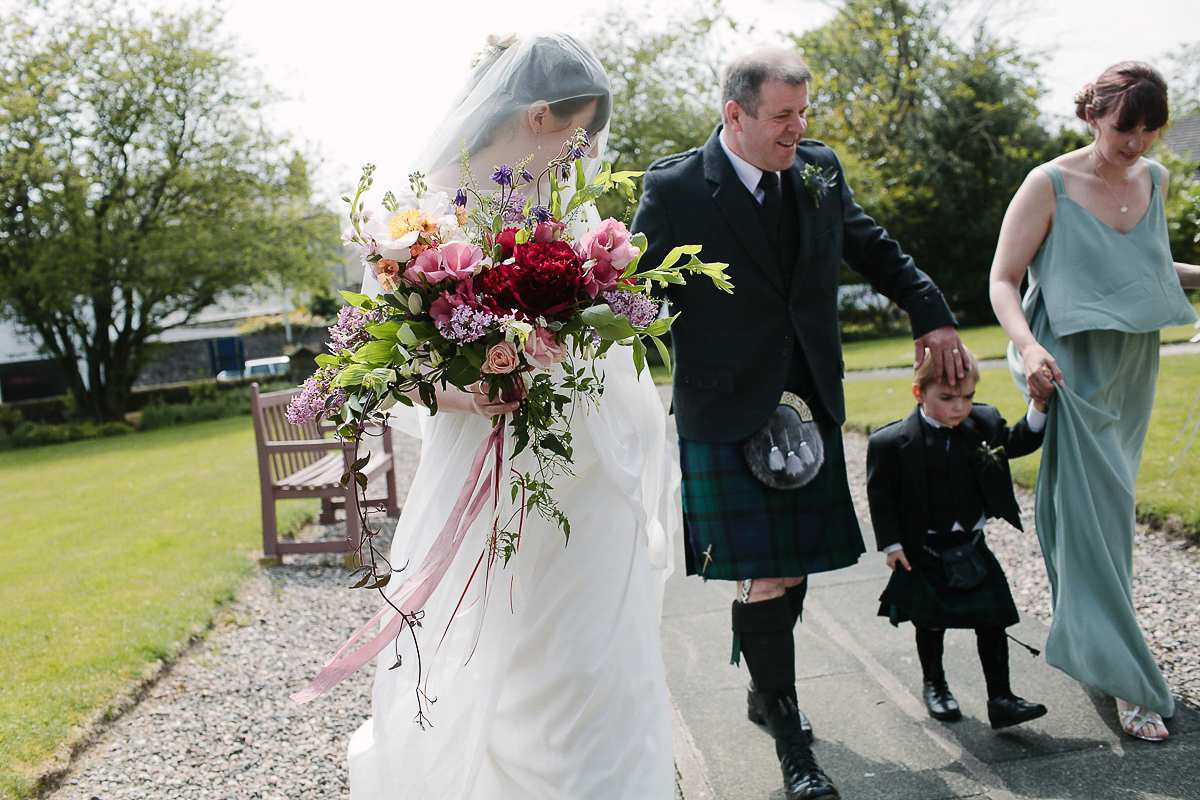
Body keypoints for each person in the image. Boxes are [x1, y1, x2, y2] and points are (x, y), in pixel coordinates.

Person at [347, 35, 679, 798]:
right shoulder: (419, 219)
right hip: (486, 475)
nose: (587, 152)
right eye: (579, 133)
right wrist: (468, 390)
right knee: (494, 646)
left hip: (588, 474)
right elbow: (388, 364)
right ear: (537, 117)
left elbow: (607, 345)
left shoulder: (576, 213)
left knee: (595, 656)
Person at [631, 48, 964, 800]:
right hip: (725, 411)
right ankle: (791, 742)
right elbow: (632, 292)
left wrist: (932, 313)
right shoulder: (678, 186)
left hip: (807, 403)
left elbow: (873, 247)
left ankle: (762, 682)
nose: (797, 128)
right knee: (769, 572)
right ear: (735, 115)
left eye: (802, 112)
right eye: (782, 116)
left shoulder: (816, 168)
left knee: (792, 566)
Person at [989, 61, 1200, 743]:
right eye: (1122, 129)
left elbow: (1145, 266)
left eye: (1148, 132)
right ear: (1091, 116)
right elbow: (1002, 279)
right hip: (1068, 367)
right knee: (1094, 520)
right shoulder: (1047, 184)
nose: (1134, 144)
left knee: (1086, 517)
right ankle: (1130, 682)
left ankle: (1088, 640)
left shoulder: (1157, 181)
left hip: (1132, 368)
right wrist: (1027, 349)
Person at [866, 346, 1048, 729]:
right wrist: (892, 545)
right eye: (947, 398)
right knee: (931, 621)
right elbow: (880, 496)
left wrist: (1039, 405)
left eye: (966, 397)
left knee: (993, 619)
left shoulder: (984, 423)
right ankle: (935, 685)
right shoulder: (891, 443)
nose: (959, 407)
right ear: (919, 393)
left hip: (972, 546)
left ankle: (1001, 698)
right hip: (924, 549)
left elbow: (1018, 442)